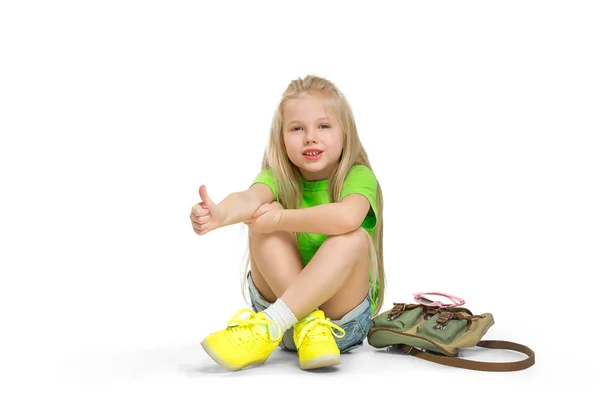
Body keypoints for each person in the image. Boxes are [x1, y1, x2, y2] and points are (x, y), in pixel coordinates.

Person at [190, 74, 386, 371]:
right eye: (297, 128)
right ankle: (299, 320)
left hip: (339, 325)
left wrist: (281, 218)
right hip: (285, 319)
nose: (310, 137)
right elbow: (248, 199)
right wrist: (222, 215)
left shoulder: (357, 177)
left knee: (352, 235)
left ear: (345, 133)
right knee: (260, 215)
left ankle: (271, 324)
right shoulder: (278, 177)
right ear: (281, 138)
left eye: (323, 126)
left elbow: (348, 216)